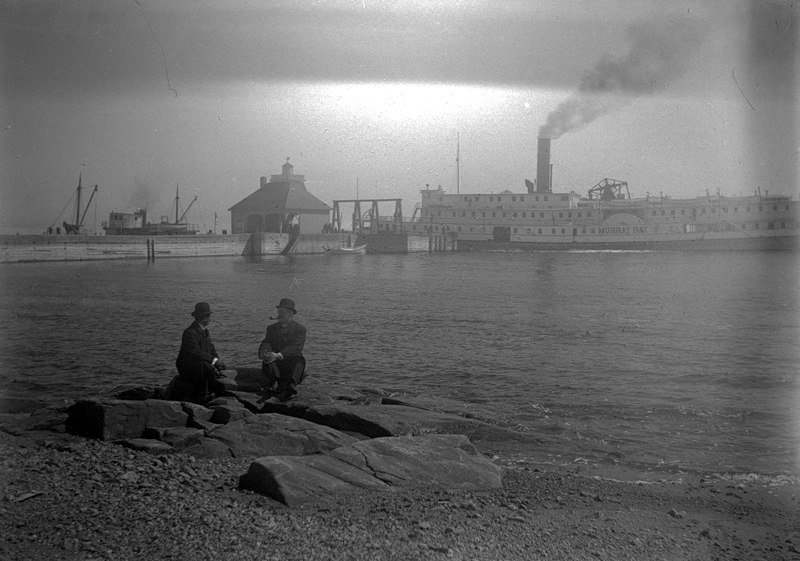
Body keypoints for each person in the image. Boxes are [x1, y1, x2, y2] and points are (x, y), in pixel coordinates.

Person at [175, 302, 227, 404]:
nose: (210, 318)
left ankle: (209, 391)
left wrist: (218, 360)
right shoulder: (190, 332)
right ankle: (201, 396)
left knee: (207, 366)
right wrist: (214, 360)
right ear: (204, 317)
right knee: (203, 365)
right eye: (209, 315)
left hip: (198, 365)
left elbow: (211, 349)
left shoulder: (204, 331)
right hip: (187, 368)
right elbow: (194, 352)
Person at [258, 298, 307, 401]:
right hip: (275, 364)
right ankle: (275, 383)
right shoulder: (272, 328)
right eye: (279, 312)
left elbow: (295, 347)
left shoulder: (300, 329)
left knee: (300, 360)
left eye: (282, 312)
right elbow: (266, 342)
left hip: (290, 363)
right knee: (268, 358)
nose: (279, 314)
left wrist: (278, 355)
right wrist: (263, 352)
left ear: (290, 314)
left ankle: (292, 385)